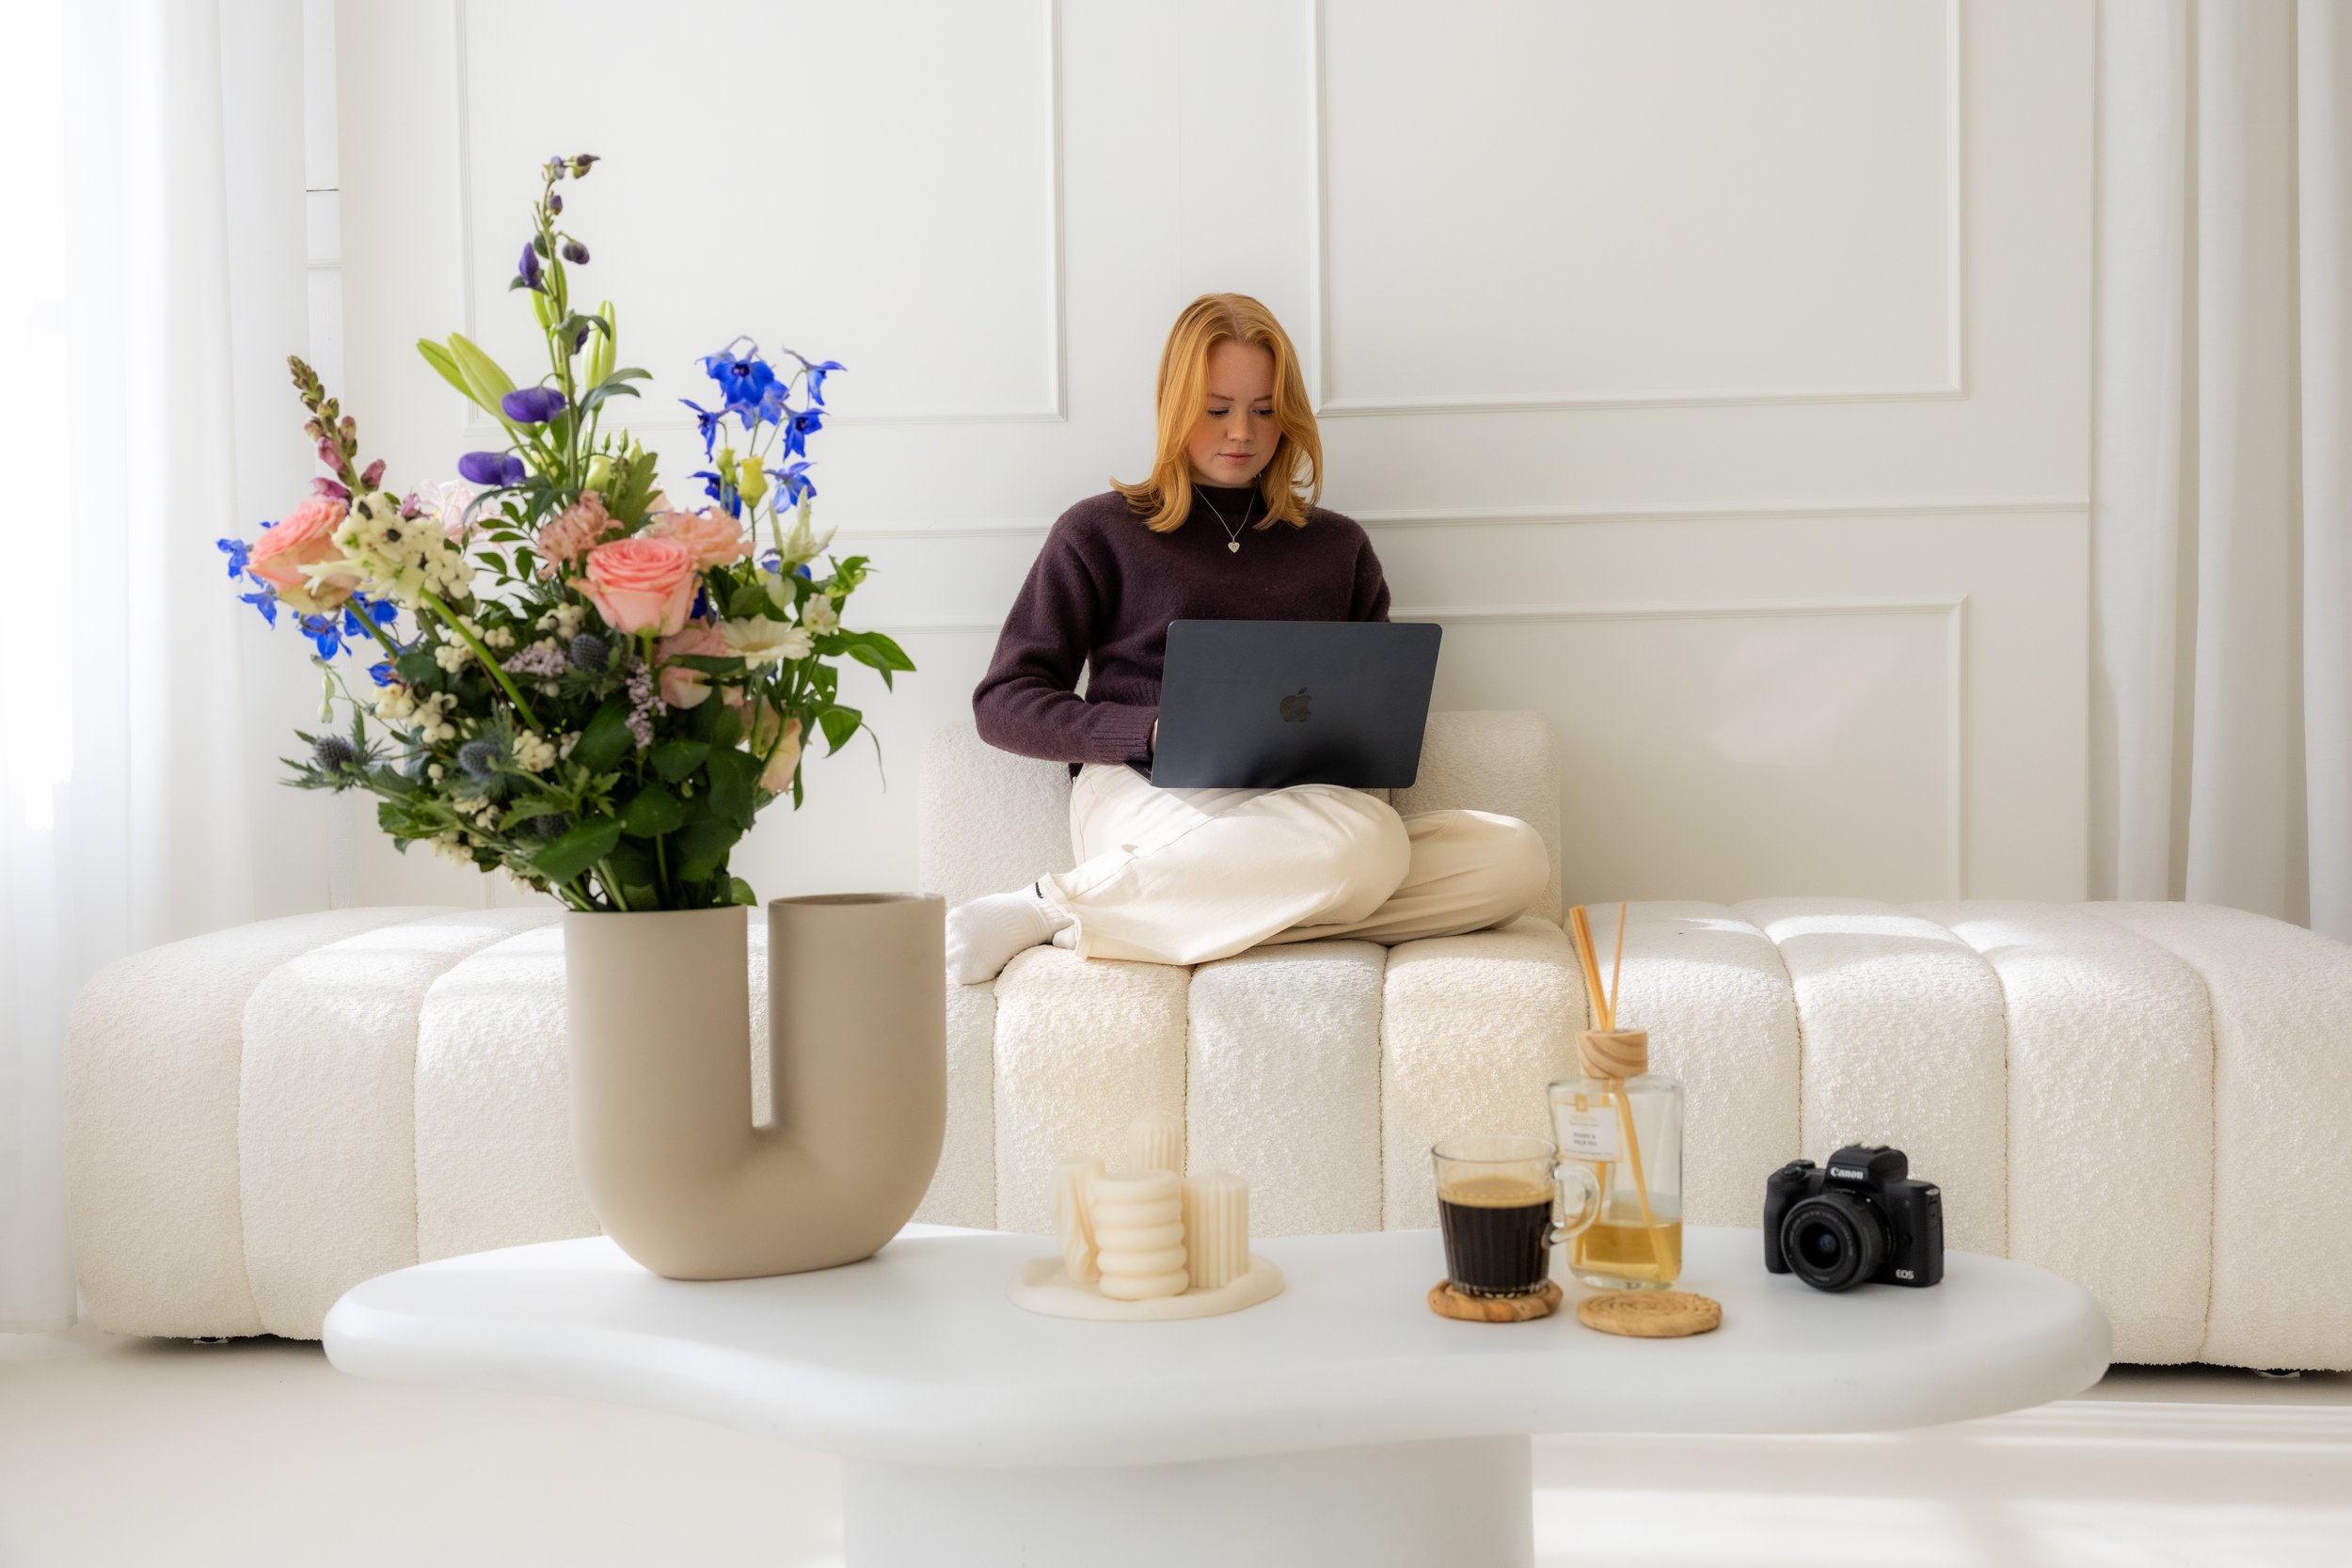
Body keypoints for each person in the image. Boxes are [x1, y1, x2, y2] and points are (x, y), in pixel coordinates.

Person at [946, 293, 1548, 983]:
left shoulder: (1339, 546)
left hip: (1312, 810)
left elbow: (1372, 716)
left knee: (1512, 856)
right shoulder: (1098, 531)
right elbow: (1003, 701)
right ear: (1175, 406)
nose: (1242, 432)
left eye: (1264, 410)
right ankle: (1060, 905)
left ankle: (1190, 911)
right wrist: (1147, 731)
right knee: (1366, 849)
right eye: (1217, 408)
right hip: (1148, 794)